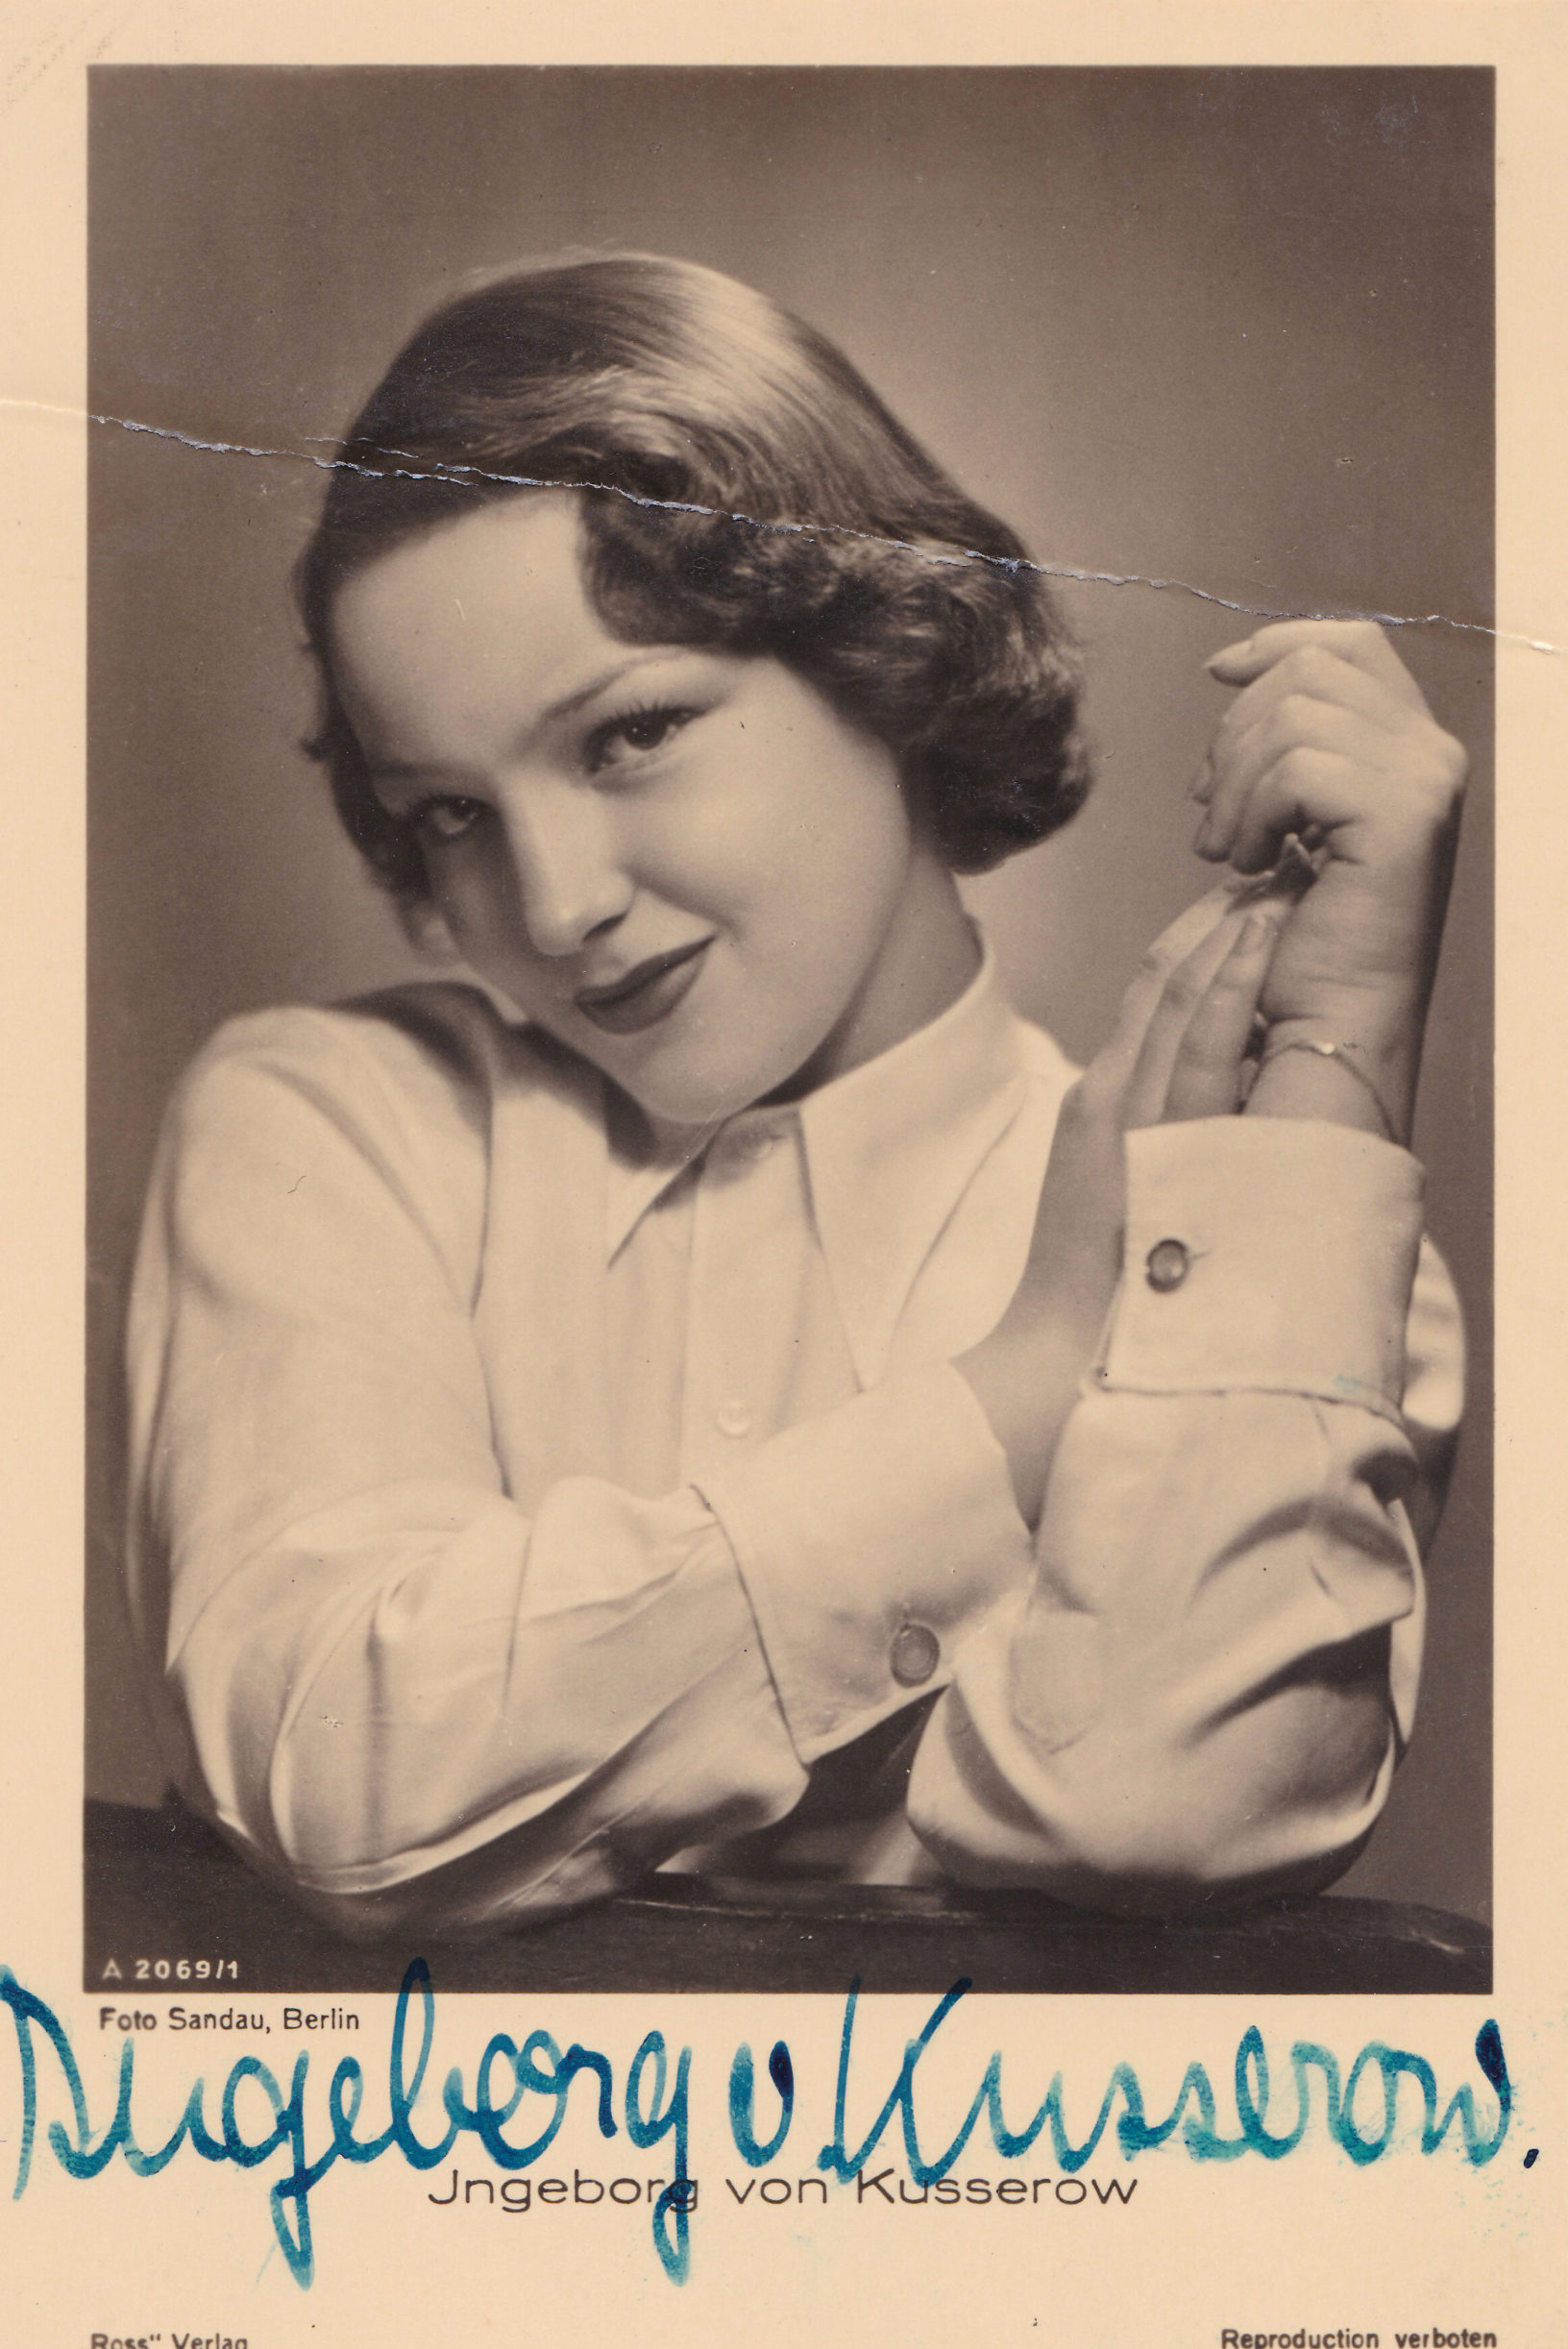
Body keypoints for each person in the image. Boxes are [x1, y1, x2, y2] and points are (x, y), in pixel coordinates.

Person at [124, 254, 1467, 1940]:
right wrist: (1022, 1394)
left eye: (630, 736)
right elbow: (342, 1773)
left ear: (885, 651)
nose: (557, 904)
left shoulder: (1293, 1243)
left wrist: (1340, 1039)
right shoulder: (330, 1125)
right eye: (450, 812)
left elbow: (1179, 1813)